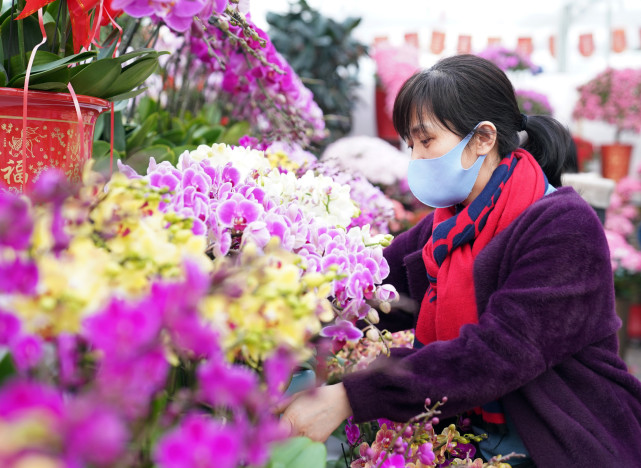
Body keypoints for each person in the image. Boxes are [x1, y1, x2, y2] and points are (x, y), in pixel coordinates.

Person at [279, 54, 641, 467]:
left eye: (426, 140)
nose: (415, 158)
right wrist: (283, 316)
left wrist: (349, 396)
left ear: (483, 138)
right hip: (466, 438)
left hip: (562, 440)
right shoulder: (447, 224)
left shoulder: (563, 228)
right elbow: (374, 290)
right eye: (410, 144)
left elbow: (496, 355)